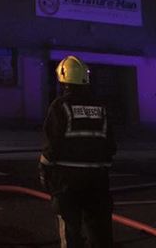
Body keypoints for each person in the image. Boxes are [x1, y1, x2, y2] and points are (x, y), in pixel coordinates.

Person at [39, 56, 117, 248]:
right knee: (100, 232)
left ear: (63, 79)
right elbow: (110, 145)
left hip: (68, 181)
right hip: (98, 180)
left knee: (71, 231)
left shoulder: (60, 106)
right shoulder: (101, 108)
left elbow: (52, 145)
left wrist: (44, 169)